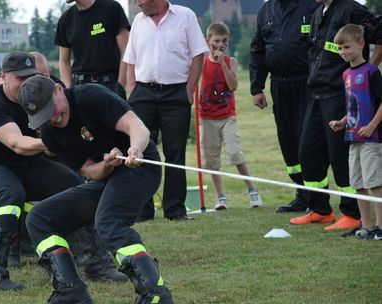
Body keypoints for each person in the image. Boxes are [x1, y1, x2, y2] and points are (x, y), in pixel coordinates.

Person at [0, 51, 123, 291]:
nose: (26, 83)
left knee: (74, 186)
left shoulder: (48, 91)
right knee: (11, 194)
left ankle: (96, 262)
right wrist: (58, 144)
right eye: (19, 78)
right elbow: (17, 143)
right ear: (3, 77)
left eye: (30, 76)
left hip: (31, 164)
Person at [19, 75, 175, 303]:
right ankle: (71, 292)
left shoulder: (90, 96)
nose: (52, 117)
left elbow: (136, 126)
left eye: (51, 108)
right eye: (43, 115)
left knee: (108, 222)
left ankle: (156, 294)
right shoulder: (51, 135)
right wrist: (107, 165)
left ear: (59, 90)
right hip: (108, 177)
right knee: (39, 218)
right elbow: (91, 172)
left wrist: (135, 150)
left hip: (141, 167)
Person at [290, 0, 382, 230]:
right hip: (316, 93)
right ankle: (320, 209)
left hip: (340, 94)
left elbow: (380, 32)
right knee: (307, 152)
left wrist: (364, 71)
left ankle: (352, 214)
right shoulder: (317, 13)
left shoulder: (352, 9)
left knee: (340, 156)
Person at [124, 0, 209, 221]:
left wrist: (189, 90)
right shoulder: (138, 22)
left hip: (176, 95)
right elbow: (130, 60)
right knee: (140, 151)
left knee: (175, 153)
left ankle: (174, 209)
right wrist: (131, 91)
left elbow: (198, 55)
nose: (138, 3)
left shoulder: (186, 16)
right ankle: (143, 210)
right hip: (143, 95)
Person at [250, 0, 320, 213]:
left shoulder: (311, 6)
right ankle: (301, 193)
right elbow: (258, 50)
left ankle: (317, 198)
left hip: (307, 83)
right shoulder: (266, 10)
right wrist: (256, 87)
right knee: (287, 140)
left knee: (306, 141)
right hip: (279, 85)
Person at [199, 22, 262, 210]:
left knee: (235, 152)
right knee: (212, 159)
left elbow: (233, 86)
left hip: (227, 116)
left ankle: (252, 190)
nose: (220, 44)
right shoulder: (201, 61)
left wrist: (222, 64)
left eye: (224, 41)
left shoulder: (231, 62)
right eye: (216, 41)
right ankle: (221, 197)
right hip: (206, 117)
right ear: (207, 41)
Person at [329, 24, 382, 240]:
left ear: (361, 45)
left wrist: (372, 126)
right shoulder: (345, 75)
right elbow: (353, 106)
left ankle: (380, 226)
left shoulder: (371, 71)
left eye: (346, 47)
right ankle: (366, 226)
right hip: (353, 138)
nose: (343, 52)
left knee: (375, 182)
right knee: (358, 184)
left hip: (371, 138)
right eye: (339, 48)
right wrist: (343, 122)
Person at [55, 0, 130, 98]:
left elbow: (126, 51)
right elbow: (64, 61)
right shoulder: (65, 19)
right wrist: (69, 91)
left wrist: (120, 87)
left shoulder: (112, 8)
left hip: (110, 86)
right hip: (80, 89)